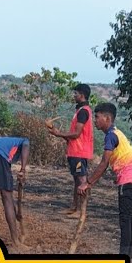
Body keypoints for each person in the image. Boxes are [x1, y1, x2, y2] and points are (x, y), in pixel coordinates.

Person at [79, 103, 132, 259]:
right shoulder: (117, 133)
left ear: (107, 118)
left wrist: (88, 182)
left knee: (125, 220)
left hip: (128, 181)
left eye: (97, 117)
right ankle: (129, 256)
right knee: (130, 219)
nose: (94, 120)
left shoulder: (111, 136)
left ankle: (124, 258)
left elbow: (104, 163)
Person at [46, 84, 94, 217]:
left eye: (76, 93)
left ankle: (81, 211)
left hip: (79, 152)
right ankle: (74, 207)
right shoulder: (81, 111)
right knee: (77, 181)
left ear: (82, 95)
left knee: (81, 181)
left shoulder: (83, 111)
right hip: (75, 151)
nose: (74, 96)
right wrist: (59, 134)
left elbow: (77, 134)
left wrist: (58, 133)